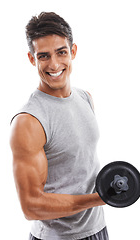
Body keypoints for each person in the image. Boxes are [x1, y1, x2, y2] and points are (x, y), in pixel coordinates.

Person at [10, 12, 109, 240]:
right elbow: (31, 206)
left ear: (73, 51)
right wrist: (99, 198)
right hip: (57, 237)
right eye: (43, 56)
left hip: (97, 228)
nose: (54, 64)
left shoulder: (85, 98)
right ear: (32, 59)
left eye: (61, 52)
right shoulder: (29, 121)